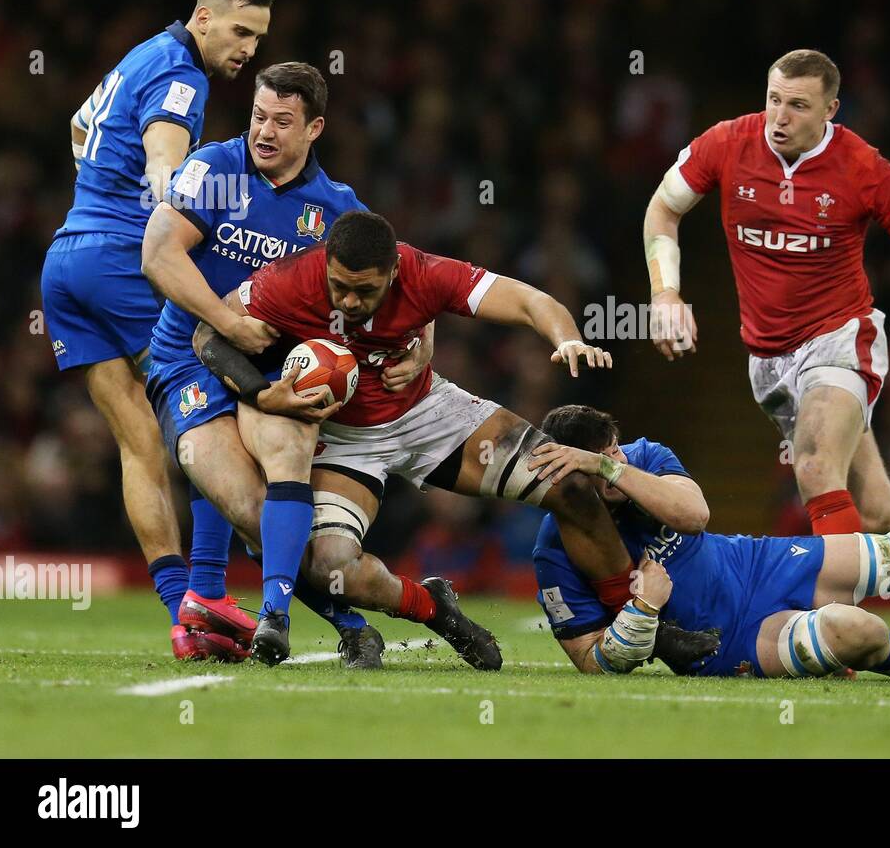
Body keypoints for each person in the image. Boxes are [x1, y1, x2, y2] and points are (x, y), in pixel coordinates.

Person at [640, 48, 890, 665]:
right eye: (774, 98)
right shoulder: (726, 143)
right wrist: (665, 292)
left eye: (798, 105)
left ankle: (848, 635)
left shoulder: (861, 167)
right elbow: (663, 209)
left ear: (830, 109)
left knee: (812, 469)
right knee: (879, 511)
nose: (779, 116)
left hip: (839, 339)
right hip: (769, 360)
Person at [192, 211, 722, 668]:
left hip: (428, 413)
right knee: (331, 567)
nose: (350, 301)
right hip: (345, 439)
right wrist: (263, 395)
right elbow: (208, 333)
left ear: (395, 271)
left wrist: (567, 338)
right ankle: (432, 605)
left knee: (570, 484)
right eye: (340, 287)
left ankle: (650, 628)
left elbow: (529, 300)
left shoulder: (425, 272)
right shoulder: (290, 280)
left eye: (366, 290)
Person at [142, 61, 448, 667]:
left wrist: (423, 346)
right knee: (251, 509)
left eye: (283, 121)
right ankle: (355, 622)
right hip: (188, 360)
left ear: (314, 129)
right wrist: (229, 323)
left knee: (284, 497)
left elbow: (404, 279)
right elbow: (158, 256)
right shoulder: (214, 168)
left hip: (273, 372)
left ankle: (268, 616)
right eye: (259, 116)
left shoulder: (334, 208)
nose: (265, 132)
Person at [39, 0, 272, 658]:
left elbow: (81, 133)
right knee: (209, 407)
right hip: (120, 259)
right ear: (203, 17)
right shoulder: (182, 75)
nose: (248, 51)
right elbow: (164, 159)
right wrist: (175, 203)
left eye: (257, 39)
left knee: (139, 441)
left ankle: (184, 614)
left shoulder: (139, 55)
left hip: (66, 263)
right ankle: (210, 591)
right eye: (239, 32)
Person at [528, 405, 890, 680]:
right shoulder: (555, 549)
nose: (617, 461)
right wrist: (644, 612)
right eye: (600, 460)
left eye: (615, 450)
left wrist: (610, 468)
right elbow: (588, 658)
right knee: (859, 629)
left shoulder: (643, 457)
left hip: (755, 562)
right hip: (731, 639)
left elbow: (695, 515)